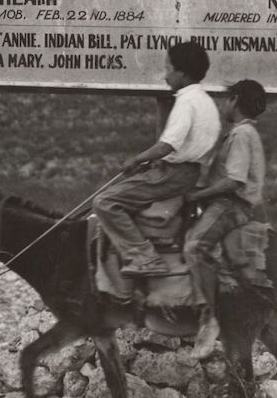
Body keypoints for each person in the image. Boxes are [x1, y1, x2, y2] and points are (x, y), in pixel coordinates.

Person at [93, 41, 220, 277]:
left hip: (173, 173)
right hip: (189, 171)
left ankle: (145, 258)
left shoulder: (186, 102)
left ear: (181, 72)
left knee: (105, 202)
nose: (165, 76)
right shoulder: (205, 101)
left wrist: (137, 160)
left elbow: (168, 144)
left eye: (168, 69)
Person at [184, 78, 272, 359]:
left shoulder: (241, 134)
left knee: (194, 245)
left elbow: (234, 180)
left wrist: (198, 196)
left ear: (235, 100)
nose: (225, 104)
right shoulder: (242, 133)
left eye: (228, 98)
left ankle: (210, 317)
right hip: (227, 202)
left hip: (230, 205)